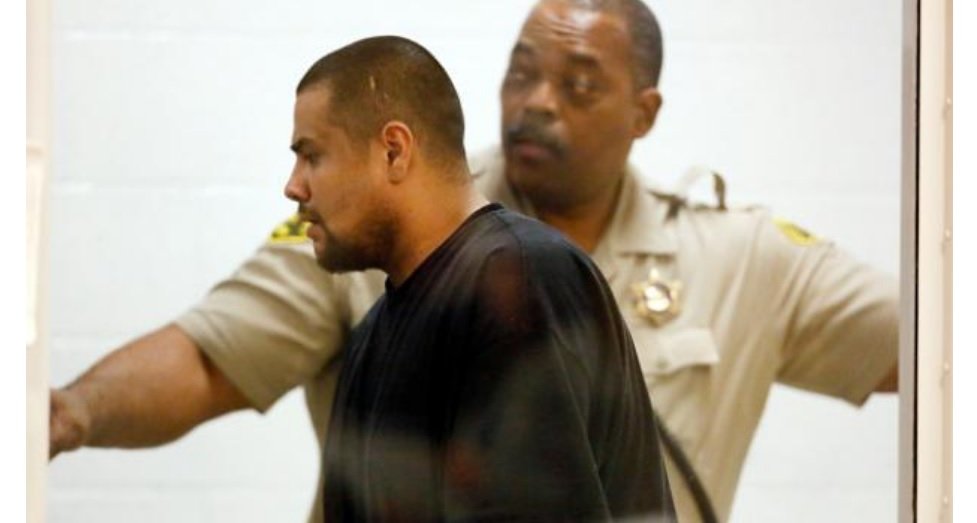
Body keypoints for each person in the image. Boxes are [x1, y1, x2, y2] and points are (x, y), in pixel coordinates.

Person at [49, 0, 899, 521]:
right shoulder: (386, 252)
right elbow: (210, 352)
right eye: (521, 73)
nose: (536, 101)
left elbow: (934, 351)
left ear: (643, 112)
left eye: (578, 83)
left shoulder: (737, 252)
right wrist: (64, 414)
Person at [282, 35, 674, 521]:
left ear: (393, 151)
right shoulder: (370, 337)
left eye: (312, 156)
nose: (293, 186)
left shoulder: (522, 278)